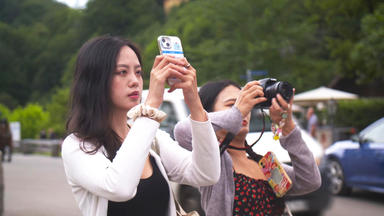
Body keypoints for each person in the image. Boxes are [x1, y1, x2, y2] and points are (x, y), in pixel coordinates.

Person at [61, 35, 220, 216]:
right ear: (96, 80)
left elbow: (207, 174)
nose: (135, 81)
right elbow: (120, 189)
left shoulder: (152, 137)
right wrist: (151, 105)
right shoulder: (78, 146)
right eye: (122, 72)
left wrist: (194, 103)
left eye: (138, 72)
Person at [174, 80, 321, 216]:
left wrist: (288, 128)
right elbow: (182, 132)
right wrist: (236, 113)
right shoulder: (214, 160)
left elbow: (309, 181)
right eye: (232, 104)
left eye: (247, 104)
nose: (244, 111)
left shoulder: (264, 164)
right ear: (208, 115)